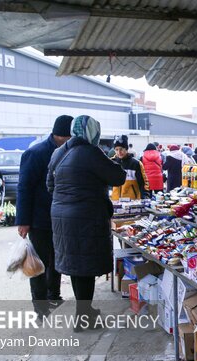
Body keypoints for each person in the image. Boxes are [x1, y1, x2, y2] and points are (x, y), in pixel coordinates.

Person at [47, 115, 126, 332]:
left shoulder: (58, 152)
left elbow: (49, 185)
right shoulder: (90, 152)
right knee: (85, 266)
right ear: (92, 132)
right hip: (85, 217)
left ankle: (84, 312)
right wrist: (115, 160)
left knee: (76, 266)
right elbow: (117, 177)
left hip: (62, 216)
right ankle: (84, 317)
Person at [16, 115, 73, 317]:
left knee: (57, 259)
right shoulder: (36, 153)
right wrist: (23, 221)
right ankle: (40, 307)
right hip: (39, 218)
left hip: (61, 218)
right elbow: (24, 188)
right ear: (62, 136)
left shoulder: (68, 151)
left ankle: (54, 295)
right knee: (39, 263)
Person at [110, 135, 148, 200]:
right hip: (115, 201)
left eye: (121, 149)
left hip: (132, 202)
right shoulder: (111, 162)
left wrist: (144, 197)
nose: (119, 152)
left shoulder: (136, 164)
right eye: (116, 149)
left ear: (126, 149)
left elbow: (143, 183)